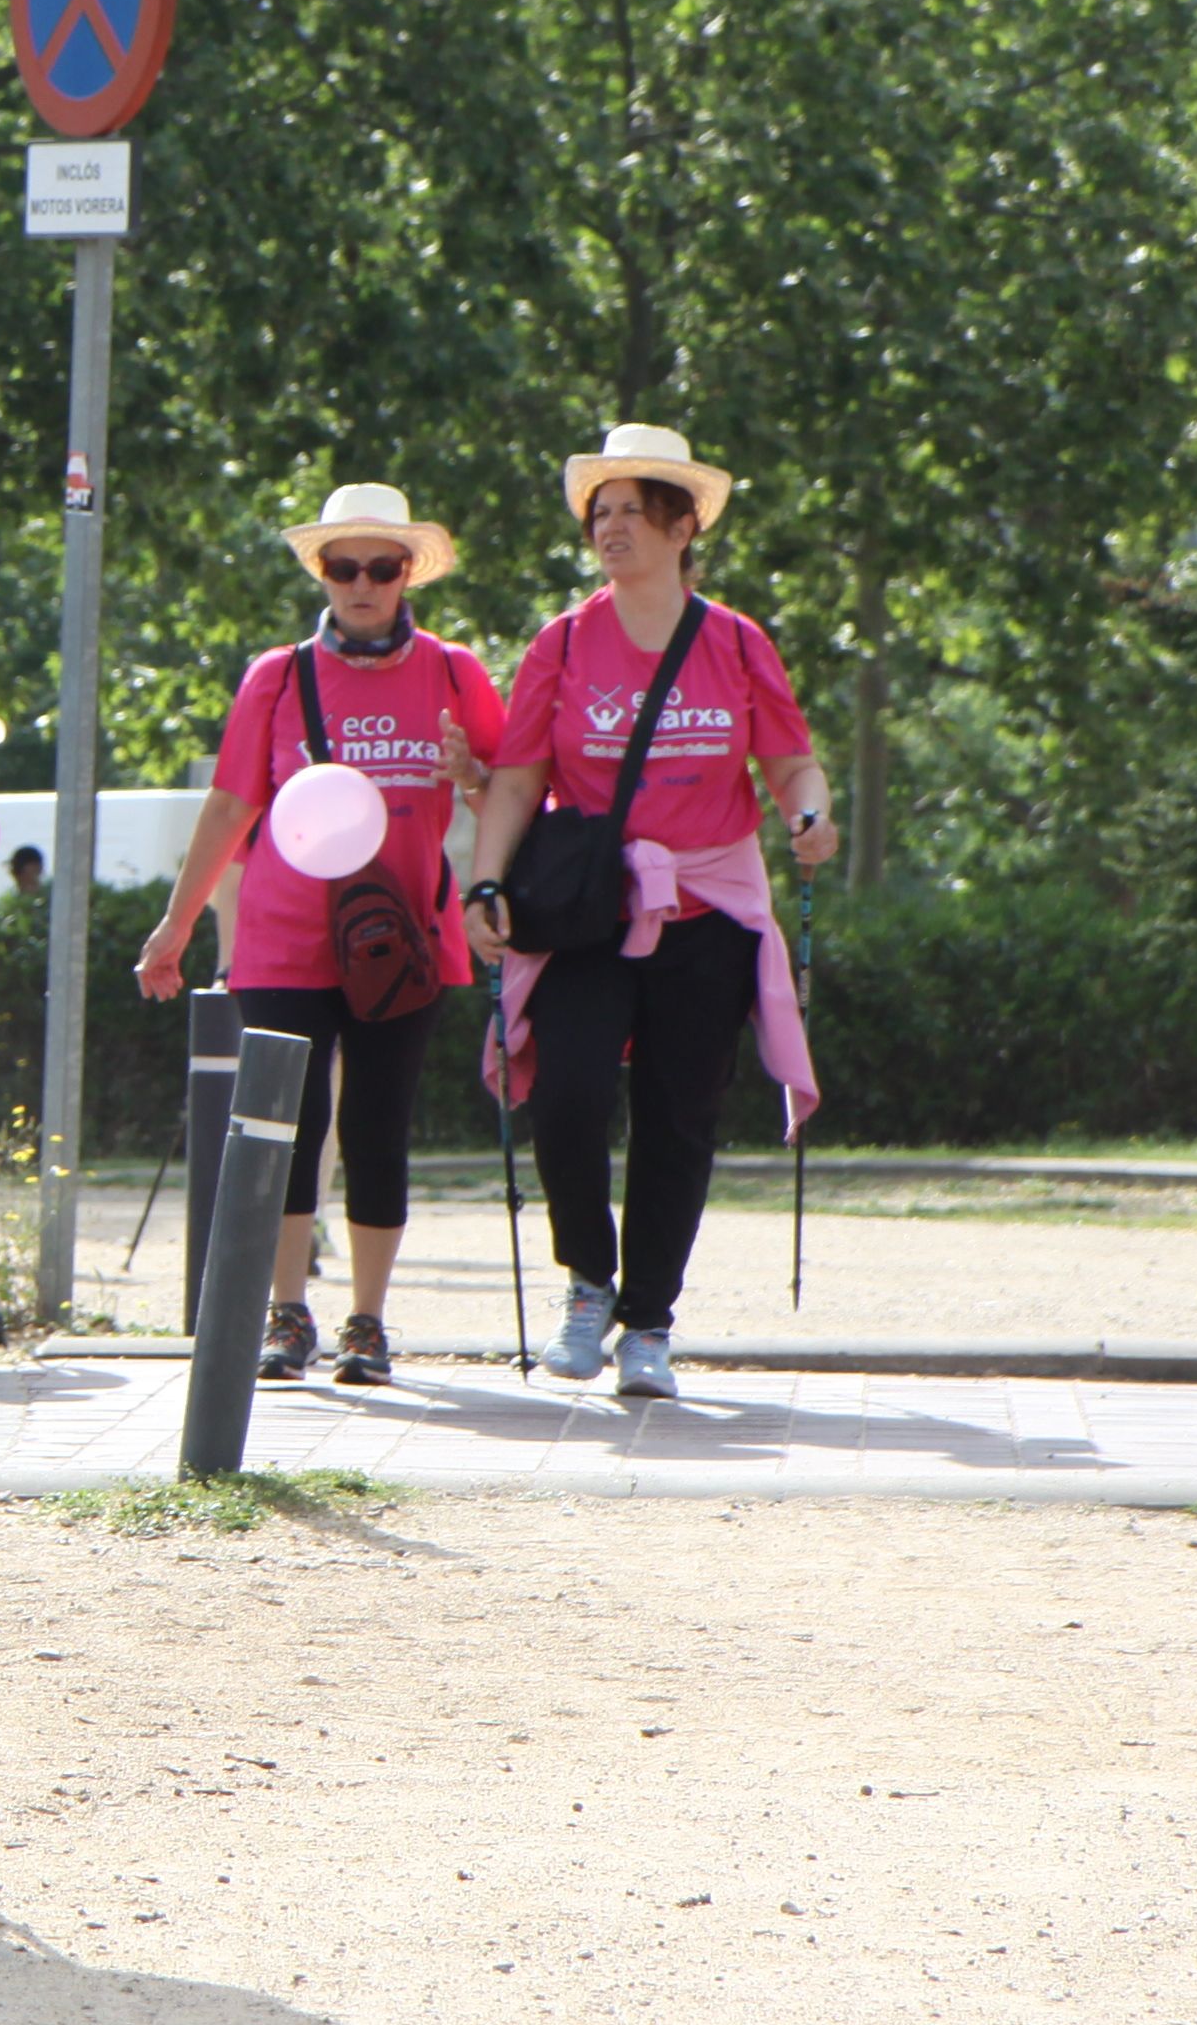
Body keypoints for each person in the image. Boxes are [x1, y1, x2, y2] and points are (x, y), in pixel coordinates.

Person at [463, 425, 834, 1400]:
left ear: (680, 527)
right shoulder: (564, 641)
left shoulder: (736, 641)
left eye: (631, 511)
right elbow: (515, 778)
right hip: (590, 908)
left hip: (708, 911)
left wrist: (810, 814)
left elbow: (790, 760)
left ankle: (649, 1326)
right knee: (569, 1096)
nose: (611, 528)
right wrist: (485, 883)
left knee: (681, 1115)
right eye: (601, 513)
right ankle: (589, 1281)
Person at [133, 482, 503, 1388]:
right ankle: (286, 1312)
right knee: (283, 1128)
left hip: (403, 941)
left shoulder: (455, 672)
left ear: (407, 572)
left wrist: (475, 776)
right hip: (286, 938)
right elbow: (229, 804)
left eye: (382, 566)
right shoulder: (277, 675)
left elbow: (513, 787)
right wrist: (176, 926)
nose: (363, 583)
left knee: (378, 1128)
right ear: (324, 575)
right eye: (345, 567)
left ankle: (367, 1323)